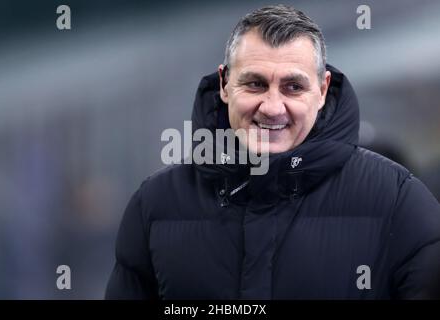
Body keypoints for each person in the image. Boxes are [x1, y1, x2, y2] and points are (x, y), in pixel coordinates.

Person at [105, 5, 440, 299]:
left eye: (293, 87)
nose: (272, 107)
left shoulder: (399, 201)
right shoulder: (155, 204)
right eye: (255, 84)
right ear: (224, 84)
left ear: (322, 90)